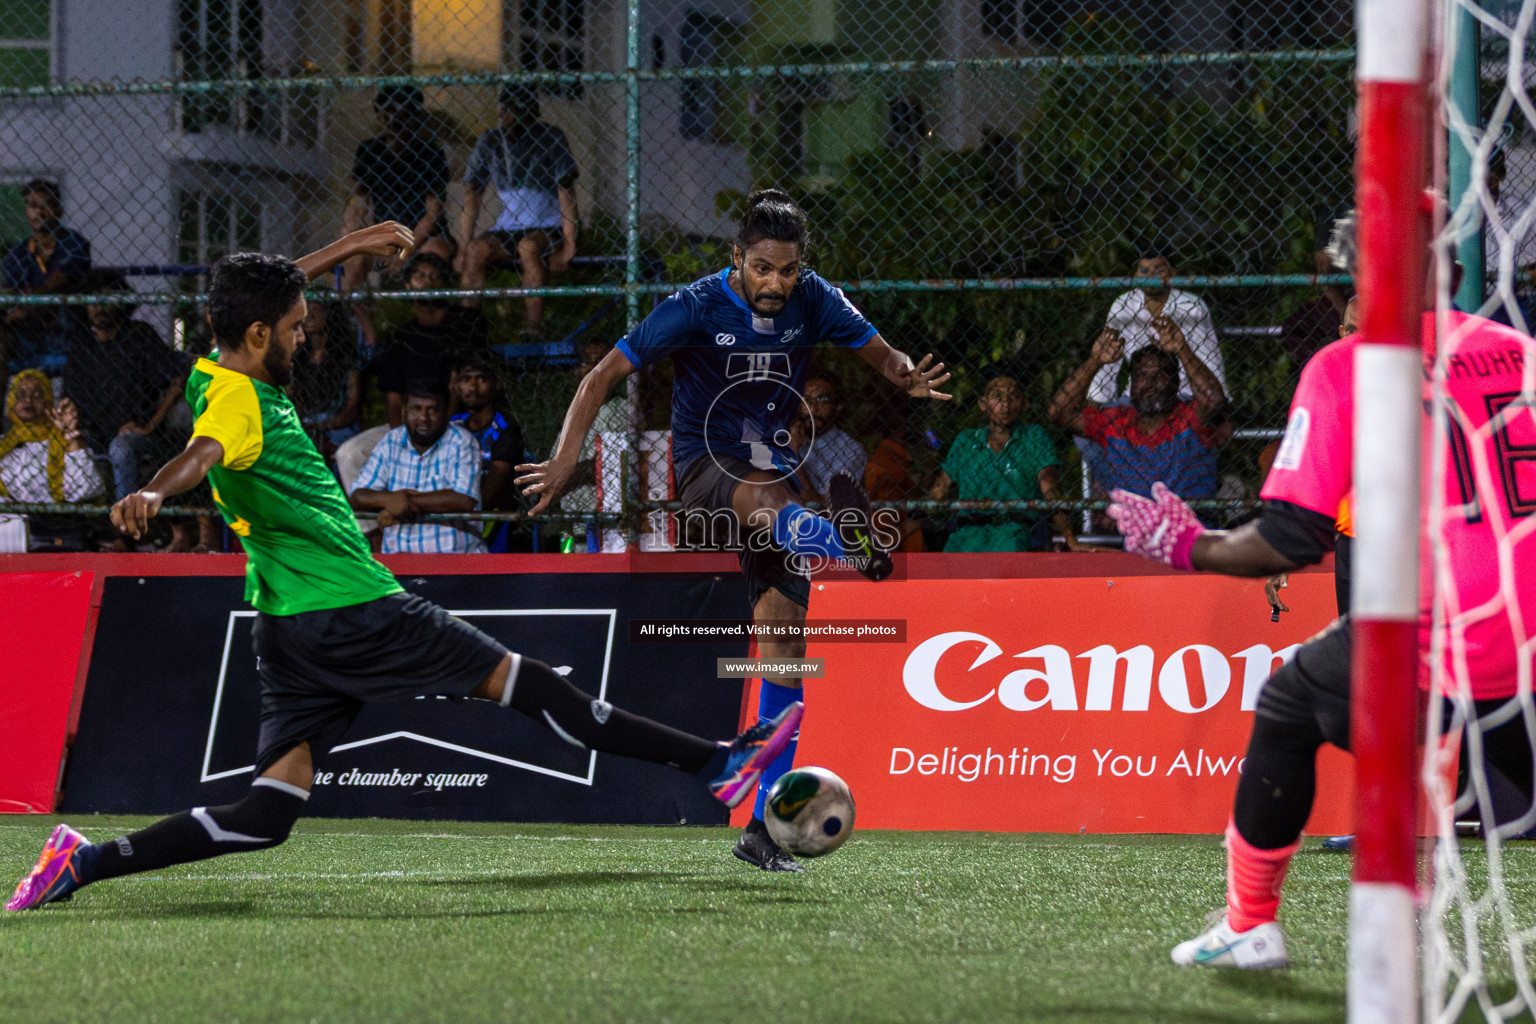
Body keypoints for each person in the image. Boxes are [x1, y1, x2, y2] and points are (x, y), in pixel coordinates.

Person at [5, 223, 804, 913]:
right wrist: (149, 487)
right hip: (353, 609)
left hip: (288, 628)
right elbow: (201, 453)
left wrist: (350, 246)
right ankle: (720, 765)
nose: (301, 336)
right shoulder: (237, 406)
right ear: (258, 338)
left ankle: (85, 861)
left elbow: (271, 295)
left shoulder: (220, 365)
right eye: (292, 330)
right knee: (527, 683)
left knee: (266, 813)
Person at [1105, 210, 1535, 969]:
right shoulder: (1521, 353)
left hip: (1442, 638)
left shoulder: (1349, 365)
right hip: (1527, 632)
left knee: (1285, 706)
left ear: (1362, 277)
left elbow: (1292, 537)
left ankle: (1250, 923)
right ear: (1458, 272)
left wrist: (1187, 543)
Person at [517, 188, 951, 871]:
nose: (774, 282)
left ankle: (761, 831)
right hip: (707, 471)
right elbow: (602, 374)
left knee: (784, 646)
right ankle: (846, 541)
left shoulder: (817, 300)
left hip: (778, 482)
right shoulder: (693, 306)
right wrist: (567, 458)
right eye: (761, 268)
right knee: (761, 497)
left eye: (786, 270)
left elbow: (885, 356)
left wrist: (907, 376)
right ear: (737, 259)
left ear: (801, 267)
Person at [1050, 321, 1229, 505]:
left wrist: (1182, 349)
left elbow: (1213, 399)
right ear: (1131, 384)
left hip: (1191, 530)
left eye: (1161, 374)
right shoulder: (1117, 422)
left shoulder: (1189, 417)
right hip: (1139, 531)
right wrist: (1095, 361)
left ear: (1176, 382)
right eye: (1142, 375)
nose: (1151, 382)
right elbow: (1060, 412)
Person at [456, 85, 580, 337]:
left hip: (547, 223)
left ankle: (533, 328)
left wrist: (569, 243)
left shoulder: (549, 136)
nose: (508, 118)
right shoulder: (491, 141)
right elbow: (473, 193)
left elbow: (566, 191)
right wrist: (463, 245)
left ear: (531, 113)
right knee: (475, 252)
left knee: (528, 248)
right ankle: (468, 327)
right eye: (505, 112)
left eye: (516, 112)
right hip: (509, 224)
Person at [342, 87, 455, 349]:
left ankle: (430, 333)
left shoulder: (429, 152)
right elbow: (358, 201)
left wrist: (405, 249)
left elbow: (433, 212)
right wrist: (351, 232)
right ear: (380, 114)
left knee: (435, 255)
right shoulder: (369, 151)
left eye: (405, 113)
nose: (397, 119)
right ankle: (368, 333)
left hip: (423, 235)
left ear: (415, 117)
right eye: (391, 111)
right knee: (351, 253)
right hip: (384, 234)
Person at [63, 278, 190, 503]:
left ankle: (125, 528)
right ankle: (82, 525)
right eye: (94, 301)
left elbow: (177, 381)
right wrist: (69, 418)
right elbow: (70, 396)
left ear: (121, 302)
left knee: (120, 448)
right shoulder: (82, 344)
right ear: (85, 306)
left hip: (138, 434)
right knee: (65, 444)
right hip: (95, 432)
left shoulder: (138, 335)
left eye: (108, 300)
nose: (100, 308)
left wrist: (149, 425)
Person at [929, 375, 1084, 552]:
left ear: (1025, 403)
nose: (1005, 404)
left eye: (1014, 396)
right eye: (997, 396)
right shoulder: (966, 440)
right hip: (968, 531)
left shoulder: (1034, 437)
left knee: (1009, 550)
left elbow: (1049, 488)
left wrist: (1070, 538)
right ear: (983, 404)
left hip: (1015, 528)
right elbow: (939, 490)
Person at [348, 380, 486, 554]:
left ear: (446, 412)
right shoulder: (392, 440)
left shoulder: (462, 441)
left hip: (453, 561)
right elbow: (357, 496)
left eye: (432, 409)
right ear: (404, 410)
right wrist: (390, 501)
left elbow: (463, 499)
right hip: (400, 562)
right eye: (416, 409)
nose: (423, 418)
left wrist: (405, 502)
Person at [370, 253, 489, 428]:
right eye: (420, 276)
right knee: (350, 453)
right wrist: (398, 440)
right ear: (408, 286)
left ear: (444, 284)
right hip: (412, 426)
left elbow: (459, 384)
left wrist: (438, 430)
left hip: (457, 423)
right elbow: (393, 398)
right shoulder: (400, 337)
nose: (428, 282)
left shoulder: (466, 323)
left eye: (435, 276)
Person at [1089, 254, 1226, 404]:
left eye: (1159, 270)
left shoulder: (1191, 306)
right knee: (1109, 418)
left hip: (1184, 396)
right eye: (1144, 270)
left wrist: (1218, 402)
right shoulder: (1124, 304)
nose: (1151, 276)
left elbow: (1211, 362)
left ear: (1173, 273)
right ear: (1134, 274)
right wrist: (1098, 402)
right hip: (1136, 397)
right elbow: (1107, 364)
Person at [0, 370, 103, 548]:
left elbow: (87, 489)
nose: (28, 400)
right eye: (21, 395)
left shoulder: (61, 439)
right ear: (11, 402)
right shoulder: (3, 446)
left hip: (56, 524)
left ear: (48, 401)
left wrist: (71, 437)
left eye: (37, 395)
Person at [1, 180, 92, 379]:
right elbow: (7, 296)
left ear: (58, 211)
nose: (39, 212)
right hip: (28, 333)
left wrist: (19, 304)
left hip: (67, 330)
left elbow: (57, 284)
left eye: (46, 205)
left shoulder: (73, 243)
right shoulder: (18, 253)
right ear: (26, 212)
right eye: (33, 206)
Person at [557, 339, 630, 551]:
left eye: (601, 362)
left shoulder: (620, 410)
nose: (593, 369)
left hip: (608, 529)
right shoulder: (574, 413)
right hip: (574, 527)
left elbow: (600, 469)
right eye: (586, 362)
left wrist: (562, 475)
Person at [288, 295, 362, 456]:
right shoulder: (297, 358)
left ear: (331, 315)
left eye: (317, 310)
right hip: (304, 425)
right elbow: (289, 398)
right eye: (307, 310)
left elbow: (350, 412)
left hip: (338, 428)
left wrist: (320, 427)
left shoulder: (347, 360)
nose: (310, 316)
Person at [791, 372, 867, 507]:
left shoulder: (851, 450)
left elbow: (822, 507)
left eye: (821, 400)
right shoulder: (790, 435)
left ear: (838, 406)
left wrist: (793, 453)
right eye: (807, 400)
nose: (813, 409)